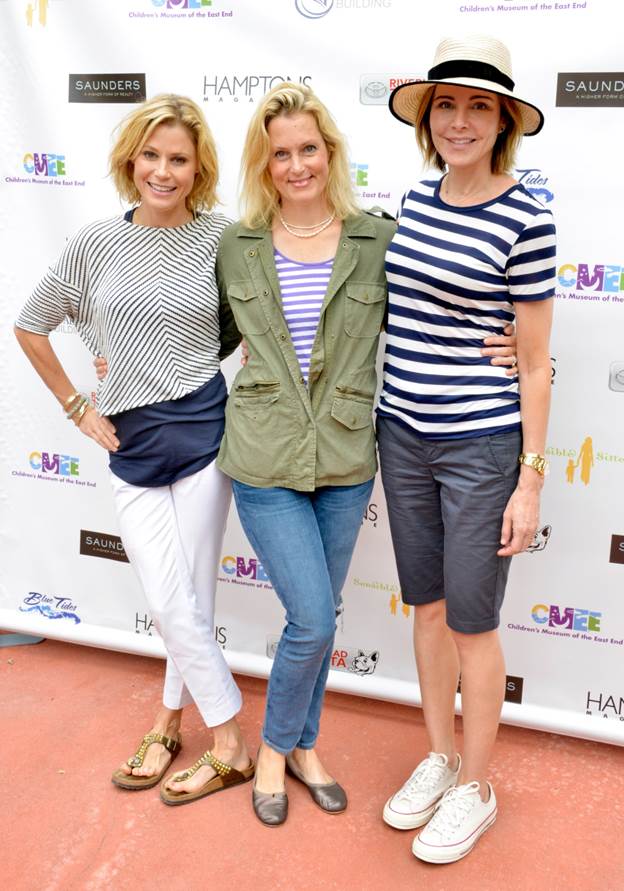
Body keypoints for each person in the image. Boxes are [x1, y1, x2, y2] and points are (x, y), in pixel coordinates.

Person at [214, 82, 518, 827]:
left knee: (324, 612)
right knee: (313, 619)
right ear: (264, 162)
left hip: (349, 458)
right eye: (280, 153)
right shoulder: (236, 244)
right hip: (263, 456)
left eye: (308, 149)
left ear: (331, 153)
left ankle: (308, 746)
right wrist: (120, 359)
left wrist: (518, 350)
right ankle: (277, 753)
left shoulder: (379, 238)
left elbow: (449, 308)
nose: (296, 165)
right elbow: (202, 334)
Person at [14, 94, 253, 806]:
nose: (163, 170)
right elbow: (31, 325)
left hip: (205, 435)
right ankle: (230, 734)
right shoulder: (93, 242)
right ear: (131, 160)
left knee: (191, 599)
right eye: (151, 155)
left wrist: (182, 359)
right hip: (132, 443)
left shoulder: (223, 238)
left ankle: (172, 724)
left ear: (198, 167)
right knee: (167, 595)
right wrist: (77, 406)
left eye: (178, 158)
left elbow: (248, 326)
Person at [378, 36, 555, 863]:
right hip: (400, 432)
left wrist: (531, 482)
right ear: (428, 118)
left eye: (478, 106)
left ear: (503, 121)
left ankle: (476, 786)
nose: (459, 120)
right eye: (446, 104)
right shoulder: (413, 199)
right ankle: (441, 755)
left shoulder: (529, 212)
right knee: (429, 608)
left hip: (481, 446)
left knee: (475, 623)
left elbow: (532, 361)